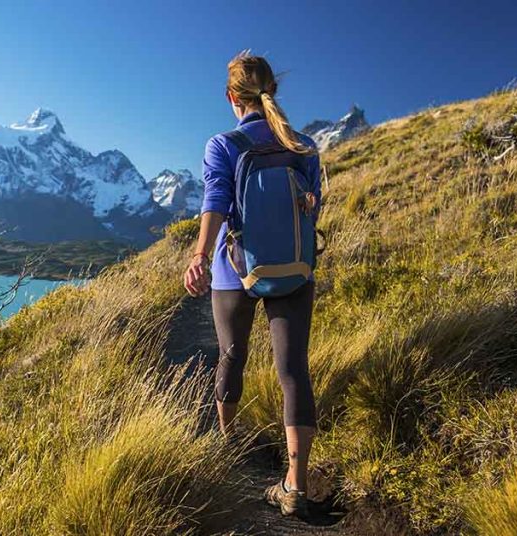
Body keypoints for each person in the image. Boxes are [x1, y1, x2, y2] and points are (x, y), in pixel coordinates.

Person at [183, 51, 322, 518]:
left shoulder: (222, 144)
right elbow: (313, 207)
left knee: (231, 354)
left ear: (231, 96)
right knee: (293, 371)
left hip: (232, 270)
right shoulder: (304, 145)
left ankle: (229, 442)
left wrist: (200, 255)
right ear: (272, 92)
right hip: (295, 272)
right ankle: (296, 485)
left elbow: (216, 201)